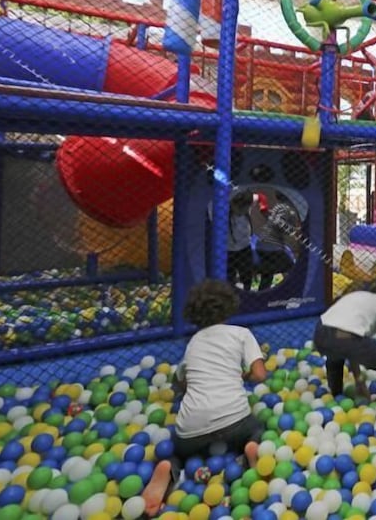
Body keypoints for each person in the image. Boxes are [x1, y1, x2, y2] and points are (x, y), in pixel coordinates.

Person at [141, 280, 266, 516]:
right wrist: (244, 375)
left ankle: (170, 469)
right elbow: (260, 374)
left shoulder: (194, 342)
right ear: (230, 306)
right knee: (258, 427)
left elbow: (180, 381)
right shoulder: (241, 333)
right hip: (235, 421)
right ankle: (251, 446)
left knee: (177, 450)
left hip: (192, 429)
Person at [314, 281, 376, 411]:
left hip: (320, 334)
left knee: (336, 355)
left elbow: (351, 346)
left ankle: (336, 396)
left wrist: (359, 380)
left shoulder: (356, 297)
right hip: (345, 338)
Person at [227, 193, 254, 292]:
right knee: (230, 276)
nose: (243, 210)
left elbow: (252, 196)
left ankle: (247, 291)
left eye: (246, 208)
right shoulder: (226, 216)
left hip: (245, 248)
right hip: (229, 250)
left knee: (246, 274)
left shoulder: (246, 215)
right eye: (241, 208)